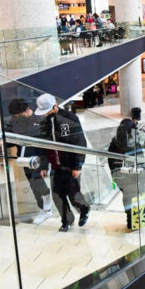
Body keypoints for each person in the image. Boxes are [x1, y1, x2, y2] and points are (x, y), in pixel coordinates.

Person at [36, 94, 90, 232]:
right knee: (57, 196)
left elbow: (80, 142)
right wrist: (43, 165)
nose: (46, 114)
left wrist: (78, 165)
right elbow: (43, 146)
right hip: (55, 166)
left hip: (71, 165)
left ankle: (84, 208)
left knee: (74, 195)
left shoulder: (70, 119)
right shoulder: (44, 123)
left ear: (55, 106)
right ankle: (67, 221)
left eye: (48, 110)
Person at [6, 98, 52, 224]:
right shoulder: (14, 121)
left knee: (38, 183)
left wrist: (44, 166)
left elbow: (46, 146)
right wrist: (3, 142)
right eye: (15, 116)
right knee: (33, 185)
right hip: (24, 159)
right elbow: (8, 139)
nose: (16, 118)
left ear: (26, 110)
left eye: (18, 115)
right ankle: (43, 209)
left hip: (39, 158)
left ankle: (47, 205)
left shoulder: (40, 120)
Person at [108, 119, 145, 230]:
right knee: (134, 196)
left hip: (120, 177)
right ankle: (135, 219)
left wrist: (115, 176)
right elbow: (141, 161)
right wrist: (143, 179)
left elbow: (111, 162)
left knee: (127, 196)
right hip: (133, 176)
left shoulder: (113, 144)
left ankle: (130, 219)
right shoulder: (134, 143)